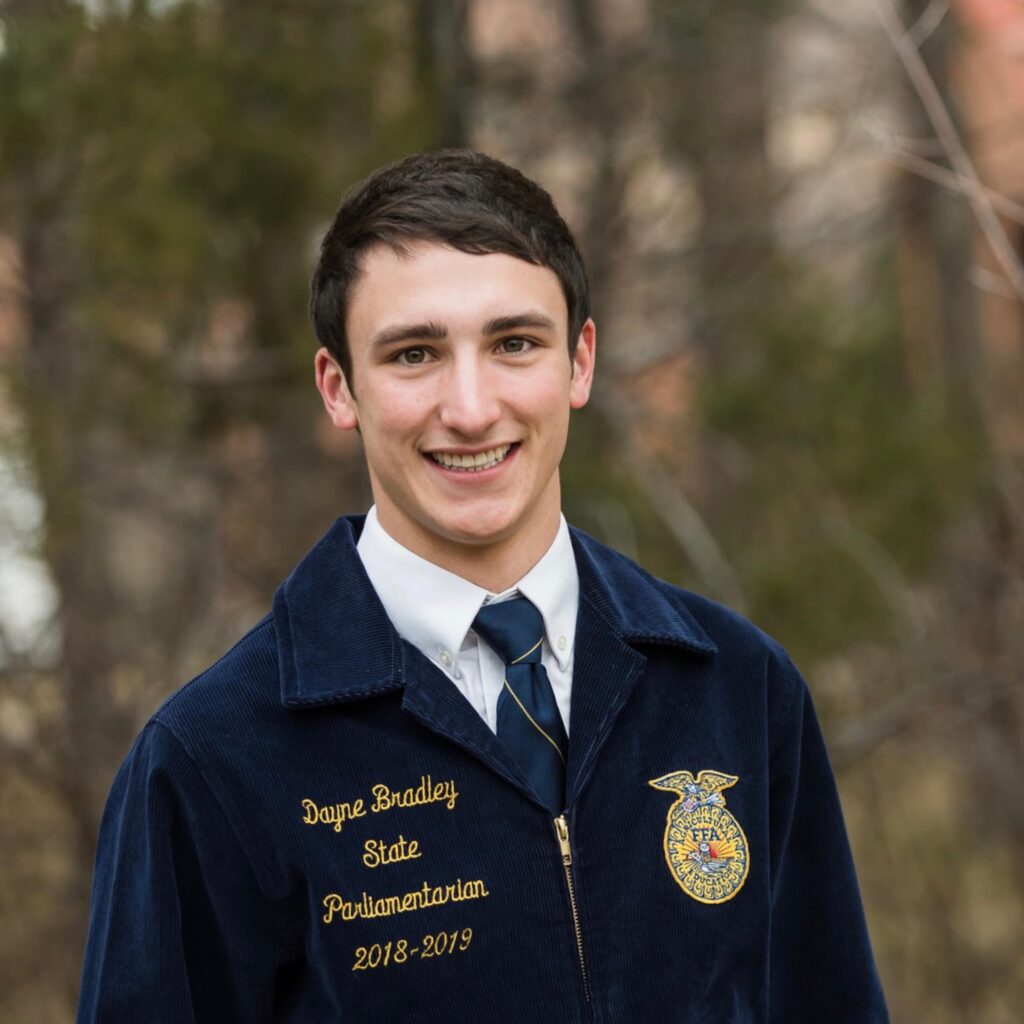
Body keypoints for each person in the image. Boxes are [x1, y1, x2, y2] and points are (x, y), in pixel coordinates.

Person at [76, 149, 889, 1023]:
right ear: (338, 387)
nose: (470, 407)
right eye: (415, 354)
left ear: (578, 363)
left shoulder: (737, 689)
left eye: (513, 344)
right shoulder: (212, 761)